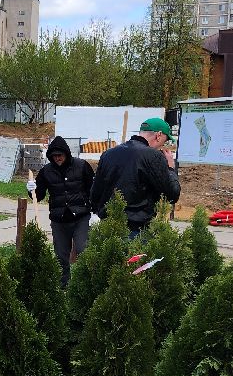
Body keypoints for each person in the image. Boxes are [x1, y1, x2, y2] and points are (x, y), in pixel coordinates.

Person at [89, 118, 181, 238]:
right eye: (165, 140)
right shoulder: (152, 156)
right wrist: (170, 169)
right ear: (158, 135)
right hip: (135, 229)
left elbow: (95, 192)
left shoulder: (108, 154)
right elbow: (172, 194)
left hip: (108, 227)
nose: (163, 145)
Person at [28, 136, 95, 286]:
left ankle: (86, 283)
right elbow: (38, 196)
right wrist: (32, 189)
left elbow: (92, 188)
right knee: (61, 255)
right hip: (59, 219)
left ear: (66, 153)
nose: (57, 158)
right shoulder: (46, 171)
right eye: (54, 156)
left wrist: (95, 208)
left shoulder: (82, 166)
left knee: (83, 249)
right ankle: (64, 285)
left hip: (80, 216)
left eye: (60, 155)